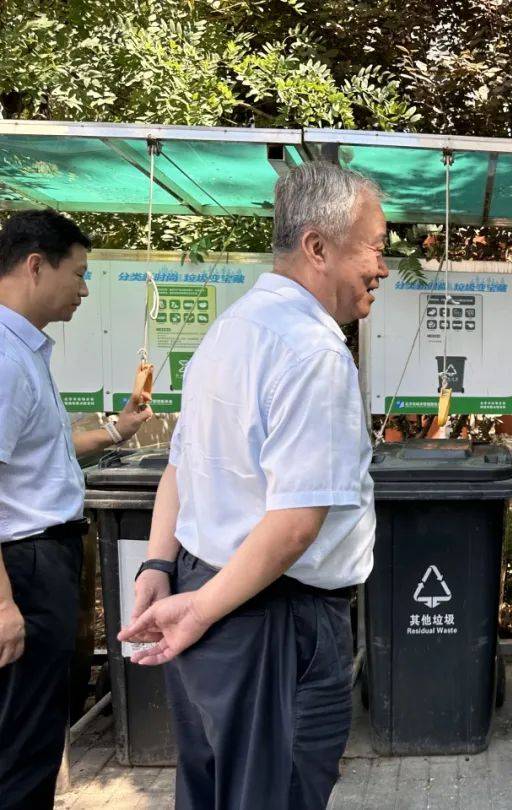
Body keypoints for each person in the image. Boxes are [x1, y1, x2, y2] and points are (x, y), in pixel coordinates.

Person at [120, 162, 388, 810]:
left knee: (211, 791)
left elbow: (180, 464)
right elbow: (296, 523)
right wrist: (200, 608)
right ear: (318, 248)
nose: (382, 267)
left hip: (206, 598)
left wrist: (160, 564)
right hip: (272, 621)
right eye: (375, 248)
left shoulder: (230, 330)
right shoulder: (312, 350)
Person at [0, 210, 154, 810]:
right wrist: (4, 603)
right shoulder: (6, 360)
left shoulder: (24, 352)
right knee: (24, 741)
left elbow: (46, 448)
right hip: (24, 566)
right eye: (80, 274)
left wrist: (117, 431)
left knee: (36, 731)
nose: (85, 291)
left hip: (41, 560)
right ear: (36, 265)